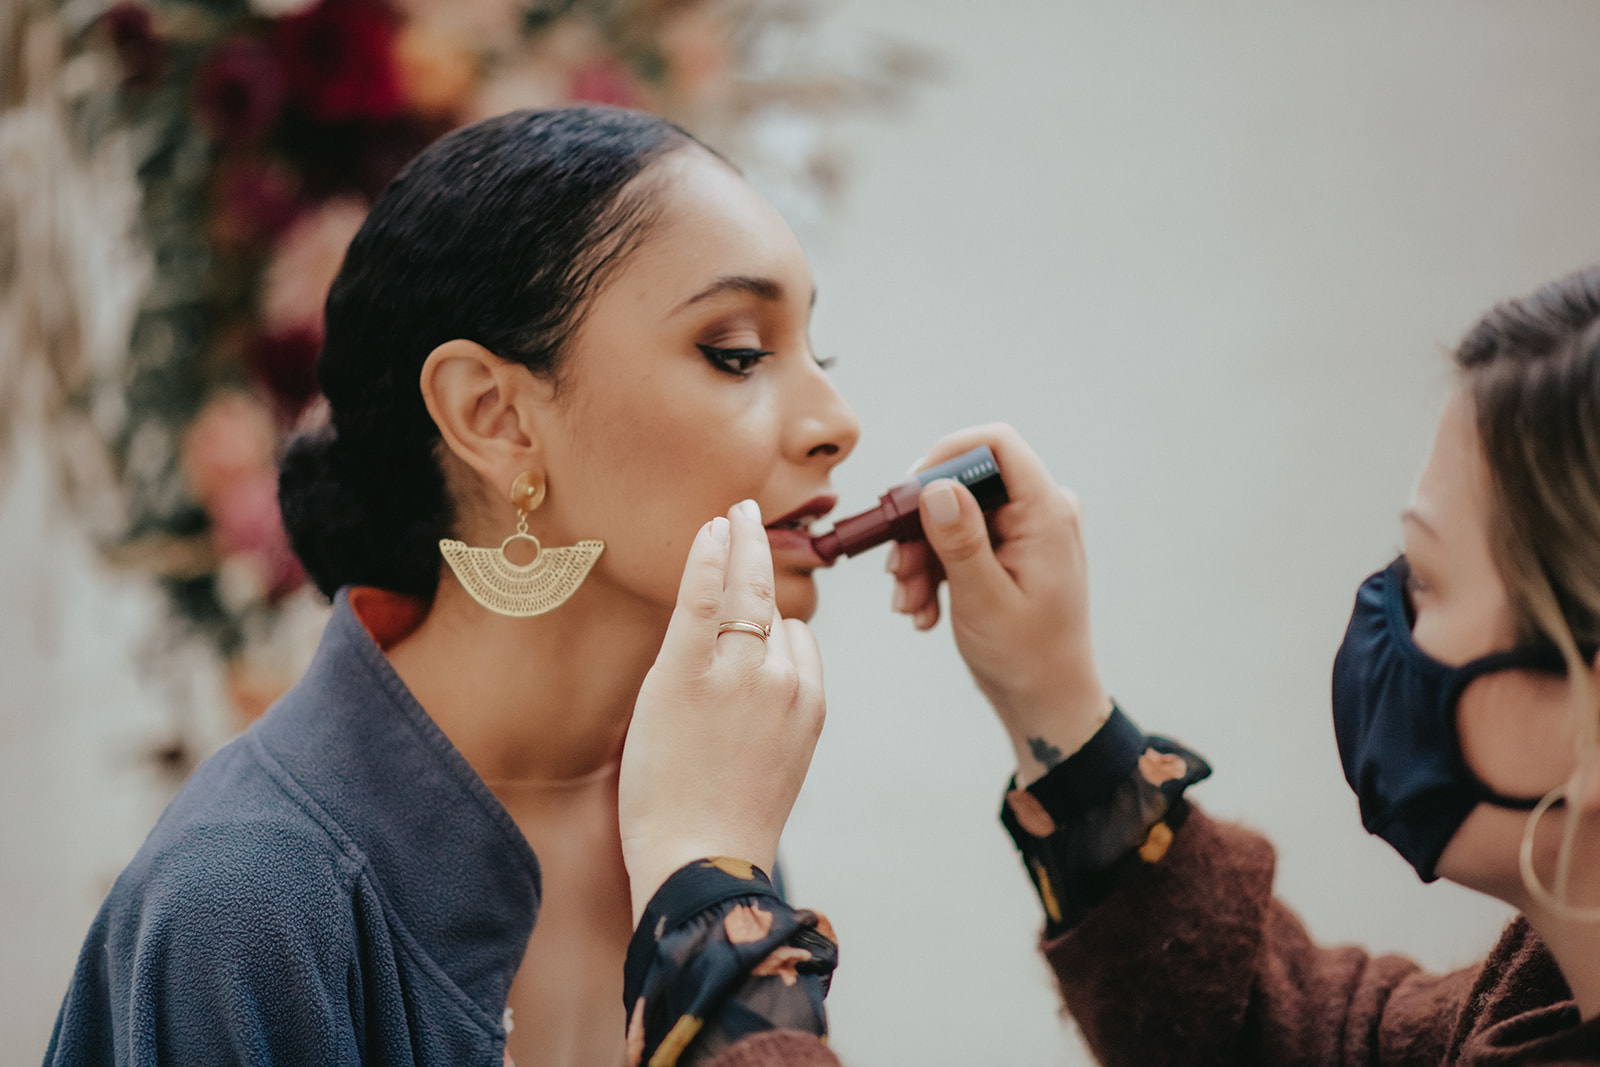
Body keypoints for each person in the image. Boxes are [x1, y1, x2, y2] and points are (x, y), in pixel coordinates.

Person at [45, 106, 857, 1067]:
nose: (837, 422)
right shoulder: (241, 904)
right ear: (493, 416)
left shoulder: (693, 796)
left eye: (818, 354)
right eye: (737, 352)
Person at [877, 266, 1600, 1065]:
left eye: (1425, 579)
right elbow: (1284, 1038)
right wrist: (1057, 705)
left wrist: (756, 945)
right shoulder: (1543, 1002)